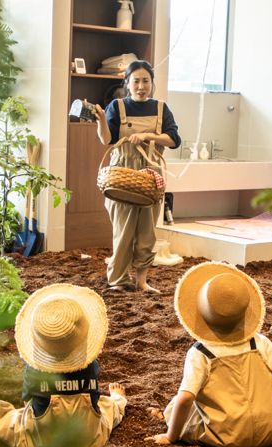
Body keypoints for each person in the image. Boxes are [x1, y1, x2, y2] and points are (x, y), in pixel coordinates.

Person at [0, 283, 127, 447]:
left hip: (40, 445)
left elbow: (27, 400)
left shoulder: (35, 370)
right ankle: (120, 400)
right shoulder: (91, 366)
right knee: (106, 406)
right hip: (91, 443)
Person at [145, 262, 272, 447]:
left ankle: (168, 421)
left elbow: (186, 399)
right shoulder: (261, 342)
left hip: (227, 436)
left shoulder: (201, 352)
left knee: (176, 404)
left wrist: (170, 436)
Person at [93, 60, 181, 293]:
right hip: (122, 173)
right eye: (136, 81)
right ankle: (118, 280)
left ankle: (141, 281)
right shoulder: (117, 106)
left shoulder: (162, 109)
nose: (141, 86)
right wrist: (101, 119)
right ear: (128, 83)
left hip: (151, 175)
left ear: (152, 83)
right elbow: (106, 139)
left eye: (146, 81)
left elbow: (173, 139)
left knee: (146, 232)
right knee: (122, 231)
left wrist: (147, 135)